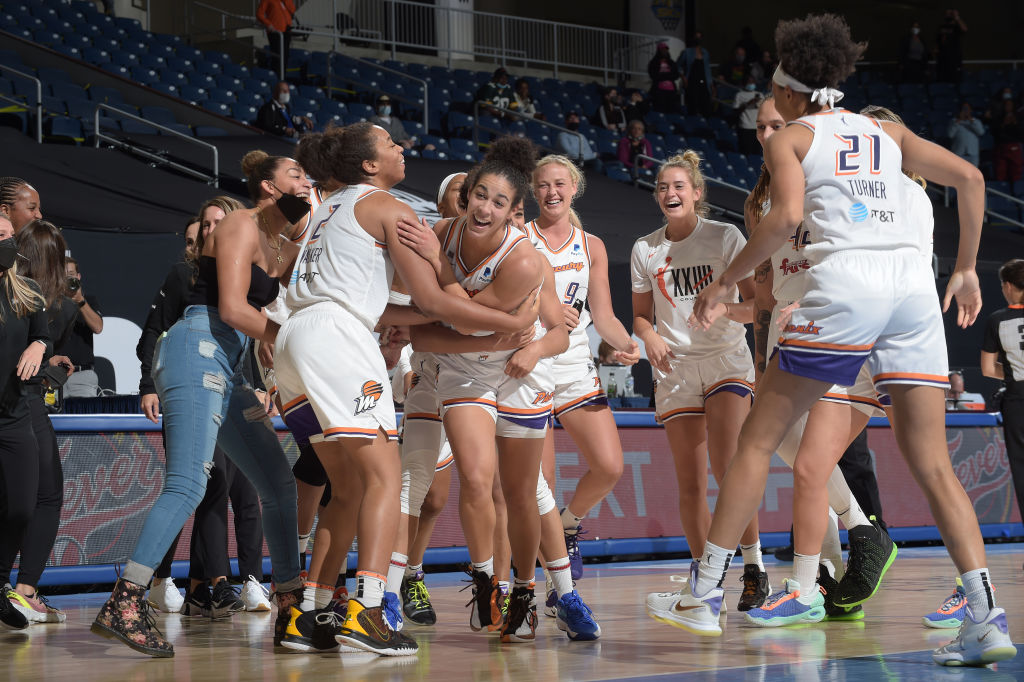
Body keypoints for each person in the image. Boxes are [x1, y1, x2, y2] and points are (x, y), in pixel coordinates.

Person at [675, 14, 1017, 668]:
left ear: (789, 84)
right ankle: (984, 613)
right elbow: (971, 181)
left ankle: (703, 593)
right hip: (913, 295)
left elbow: (787, 219)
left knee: (757, 438)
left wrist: (723, 284)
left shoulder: (793, 139)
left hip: (847, 286)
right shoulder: (885, 130)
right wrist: (969, 268)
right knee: (932, 463)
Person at [274, 124, 539, 653]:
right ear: (370, 165)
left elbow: (393, 305)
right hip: (336, 339)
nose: (402, 148)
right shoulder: (388, 208)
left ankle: (307, 614)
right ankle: (369, 610)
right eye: (391, 144)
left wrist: (423, 316)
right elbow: (439, 305)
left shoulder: (329, 207)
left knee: (347, 488)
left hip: (294, 340)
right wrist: (500, 324)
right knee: (385, 477)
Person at [91, 151, 312, 657]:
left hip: (228, 366)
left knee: (278, 483)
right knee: (189, 482)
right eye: (295, 173)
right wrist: (296, 343)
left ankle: (290, 609)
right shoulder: (239, 223)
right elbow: (235, 308)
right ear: (268, 186)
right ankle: (125, 601)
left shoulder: (278, 242)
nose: (306, 179)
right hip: (196, 349)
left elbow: (267, 312)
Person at [630, 151, 767, 613]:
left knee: (727, 468)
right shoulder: (645, 249)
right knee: (689, 484)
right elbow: (640, 318)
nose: (671, 193)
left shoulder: (725, 237)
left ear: (697, 193)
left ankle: (753, 569)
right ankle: (703, 581)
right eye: (663, 187)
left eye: (679, 186)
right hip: (675, 371)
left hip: (726, 360)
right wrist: (648, 337)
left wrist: (724, 309)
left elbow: (757, 308)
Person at [528, 154, 639, 593]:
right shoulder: (520, 236)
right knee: (542, 485)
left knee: (609, 465)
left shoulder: (590, 244)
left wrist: (626, 342)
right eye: (543, 185)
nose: (552, 192)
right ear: (533, 191)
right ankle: (555, 590)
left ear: (574, 188)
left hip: (574, 364)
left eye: (559, 184)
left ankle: (568, 526)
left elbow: (605, 315)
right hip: (529, 361)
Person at [2, 220, 76, 625]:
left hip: (19, 404)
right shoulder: (35, 296)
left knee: (21, 500)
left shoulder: (24, 294)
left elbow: (30, 342)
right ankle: (24, 589)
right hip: (21, 406)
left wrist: (44, 356)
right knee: (43, 496)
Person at [0, 215, 49, 631]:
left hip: (14, 416)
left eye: (5, 235)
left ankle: (0, 585)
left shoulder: (26, 291)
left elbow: (45, 334)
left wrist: (38, 341)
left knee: (20, 507)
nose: (3, 241)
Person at [981, 259, 1024, 553]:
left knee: (1022, 471)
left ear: (1008, 287)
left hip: (1017, 400)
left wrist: (1009, 373)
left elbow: (986, 368)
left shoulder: (998, 319)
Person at [57, 258, 103, 398]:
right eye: (63, 275)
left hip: (83, 376)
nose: (67, 279)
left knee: (86, 419)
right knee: (50, 417)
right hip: (55, 374)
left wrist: (80, 301)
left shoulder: (88, 300)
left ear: (78, 276)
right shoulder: (50, 302)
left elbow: (98, 327)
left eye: (71, 275)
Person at [678, 33, 713, 117]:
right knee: (692, 105)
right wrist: (683, 77)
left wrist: (711, 83)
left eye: (700, 37)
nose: (698, 39)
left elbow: (707, 70)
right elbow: (678, 65)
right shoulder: (687, 52)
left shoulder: (705, 53)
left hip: (703, 82)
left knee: (705, 105)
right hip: (691, 82)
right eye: (696, 37)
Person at [256, 0, 295, 76]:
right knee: (277, 57)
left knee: (285, 57)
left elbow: (292, 10)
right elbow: (259, 14)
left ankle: (283, 77)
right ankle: (276, 78)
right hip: (275, 32)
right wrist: (268, 24)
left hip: (286, 31)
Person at [948, 102, 985, 168]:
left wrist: (971, 121)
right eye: (964, 109)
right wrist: (958, 121)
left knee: (973, 174)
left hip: (973, 154)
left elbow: (981, 132)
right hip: (958, 153)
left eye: (967, 109)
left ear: (971, 110)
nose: (965, 111)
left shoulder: (976, 121)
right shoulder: (954, 121)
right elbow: (950, 135)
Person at [647, 43, 680, 115]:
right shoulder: (654, 62)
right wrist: (668, 75)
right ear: (659, 51)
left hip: (671, 91)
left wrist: (663, 75)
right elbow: (653, 75)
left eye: (666, 49)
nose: (664, 51)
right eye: (662, 49)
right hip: (659, 91)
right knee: (660, 111)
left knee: (672, 112)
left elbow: (676, 75)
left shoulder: (671, 63)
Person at [733, 76, 763, 154]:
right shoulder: (739, 95)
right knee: (746, 150)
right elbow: (736, 111)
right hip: (745, 126)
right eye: (749, 82)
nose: (751, 84)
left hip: (757, 127)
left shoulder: (759, 94)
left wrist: (758, 104)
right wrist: (748, 103)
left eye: (753, 82)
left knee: (756, 152)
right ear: (744, 83)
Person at [935, 9, 967, 83]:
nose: (948, 15)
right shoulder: (941, 27)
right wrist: (936, 50)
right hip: (942, 58)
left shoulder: (956, 27)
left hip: (954, 58)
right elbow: (937, 41)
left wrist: (957, 17)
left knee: (954, 79)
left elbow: (964, 29)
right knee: (942, 79)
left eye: (950, 14)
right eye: (947, 13)